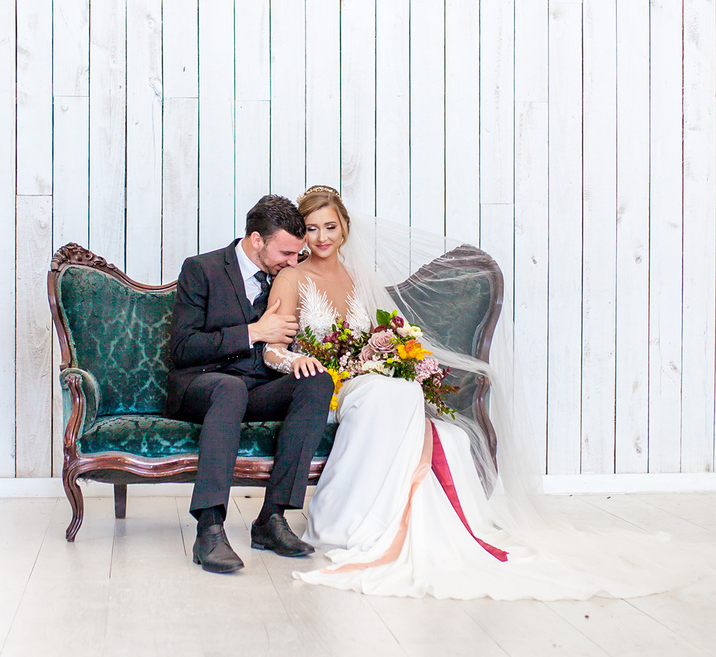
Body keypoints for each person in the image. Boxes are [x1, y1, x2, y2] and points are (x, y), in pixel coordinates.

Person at [263, 185, 716, 599]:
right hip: (328, 388)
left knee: (409, 400)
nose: (322, 237)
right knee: (393, 396)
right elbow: (271, 352)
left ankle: (393, 526)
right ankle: (347, 524)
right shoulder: (292, 279)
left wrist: (390, 358)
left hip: (372, 378)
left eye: (330, 226)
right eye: (312, 228)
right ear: (301, 233)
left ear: (344, 229)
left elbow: (385, 334)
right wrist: (300, 361)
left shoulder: (363, 279)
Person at [165, 194, 334, 574]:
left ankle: (271, 519)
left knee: (316, 382)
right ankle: (209, 529)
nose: (293, 263)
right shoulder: (201, 269)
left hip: (256, 388)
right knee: (229, 388)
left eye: (297, 254)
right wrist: (253, 331)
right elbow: (182, 348)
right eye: (286, 253)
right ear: (257, 240)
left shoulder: (284, 275)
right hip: (203, 387)